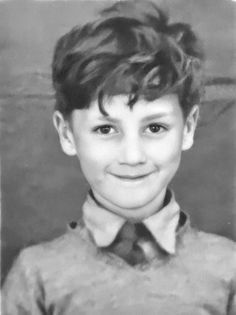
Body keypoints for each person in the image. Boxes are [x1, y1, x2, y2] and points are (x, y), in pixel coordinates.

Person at [2, 1, 236, 314]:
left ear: (188, 127)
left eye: (154, 127)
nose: (132, 155)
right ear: (67, 134)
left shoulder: (228, 268)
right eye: (104, 129)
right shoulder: (35, 275)